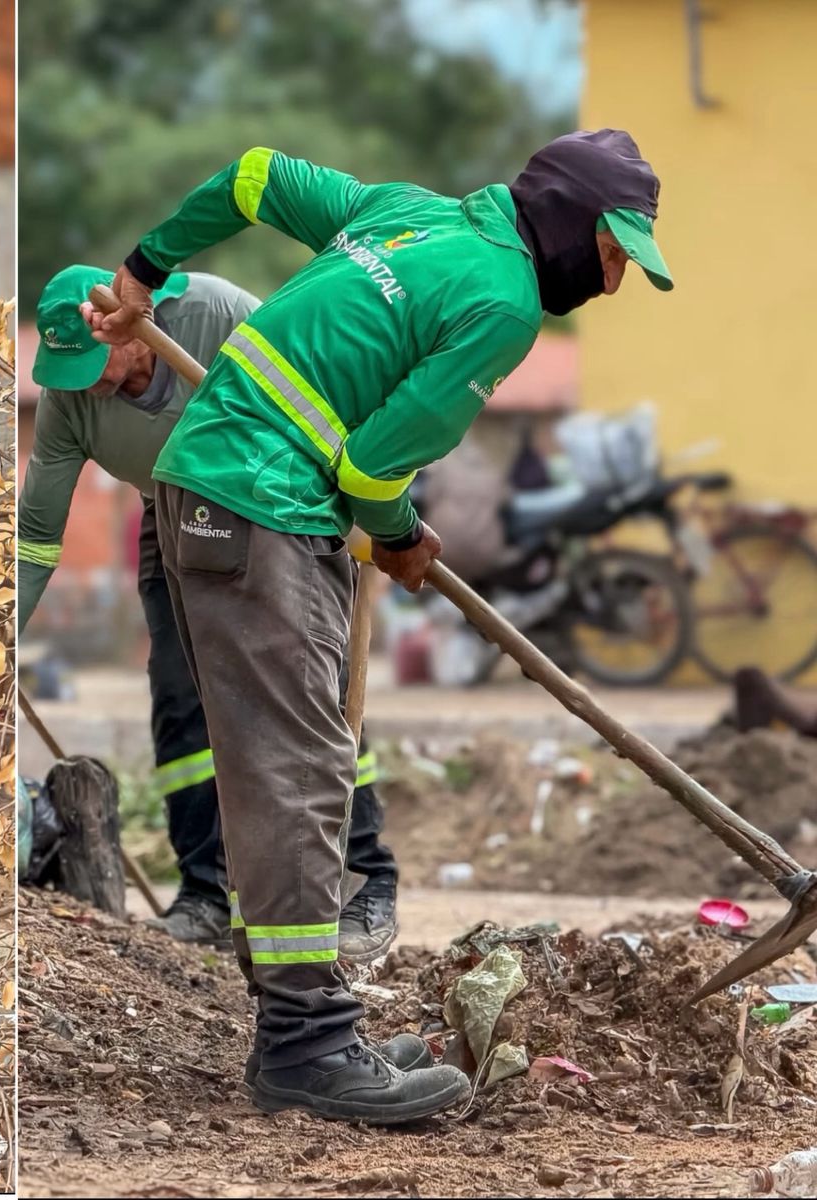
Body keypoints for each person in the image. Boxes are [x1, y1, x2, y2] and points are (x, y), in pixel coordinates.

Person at [92, 130, 671, 1123]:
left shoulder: (408, 209)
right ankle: (303, 1047)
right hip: (260, 505)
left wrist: (143, 269)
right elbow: (370, 472)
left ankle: (312, 1025)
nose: (612, 283)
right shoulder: (501, 304)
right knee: (300, 771)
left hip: (221, 486)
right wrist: (401, 541)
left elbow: (254, 176)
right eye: (614, 253)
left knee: (298, 763)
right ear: (572, 223)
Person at [18, 264, 402, 965]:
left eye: (90, 359)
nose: (82, 384)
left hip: (280, 504)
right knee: (180, 693)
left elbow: (325, 387)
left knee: (310, 687)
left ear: (130, 323)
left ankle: (366, 879)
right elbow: (37, 536)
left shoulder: (216, 313)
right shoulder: (70, 400)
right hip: (174, 512)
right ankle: (205, 894)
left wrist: (377, 503)